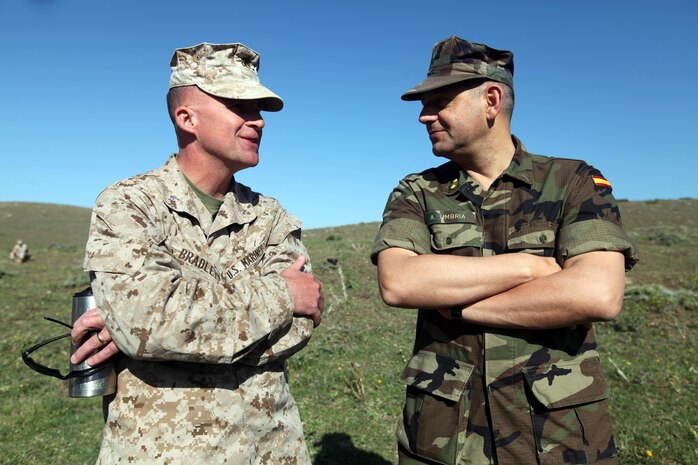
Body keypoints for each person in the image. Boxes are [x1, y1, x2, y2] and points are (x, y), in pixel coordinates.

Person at [371, 36, 638, 465]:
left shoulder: (573, 181)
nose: (424, 116)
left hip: (557, 435)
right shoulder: (417, 191)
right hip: (445, 435)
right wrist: (528, 268)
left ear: (491, 100)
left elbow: (596, 295)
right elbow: (400, 282)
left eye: (439, 101)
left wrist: (455, 306)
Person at [69, 42, 323, 464]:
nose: (257, 121)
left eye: (259, 109)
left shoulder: (272, 216)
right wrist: (281, 296)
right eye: (239, 106)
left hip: (271, 449)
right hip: (163, 451)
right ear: (186, 117)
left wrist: (151, 337)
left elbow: (302, 324)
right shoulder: (129, 204)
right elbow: (147, 323)